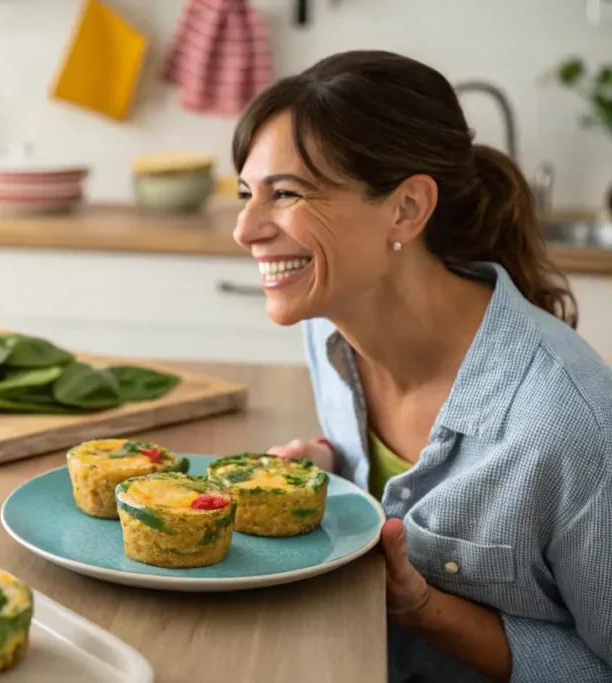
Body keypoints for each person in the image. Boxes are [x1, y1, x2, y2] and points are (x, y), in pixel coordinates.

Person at [231, 50, 612, 683]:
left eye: (286, 194)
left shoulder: (571, 426)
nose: (244, 229)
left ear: (406, 209)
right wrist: (336, 471)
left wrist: (429, 610)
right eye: (247, 193)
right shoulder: (328, 327)